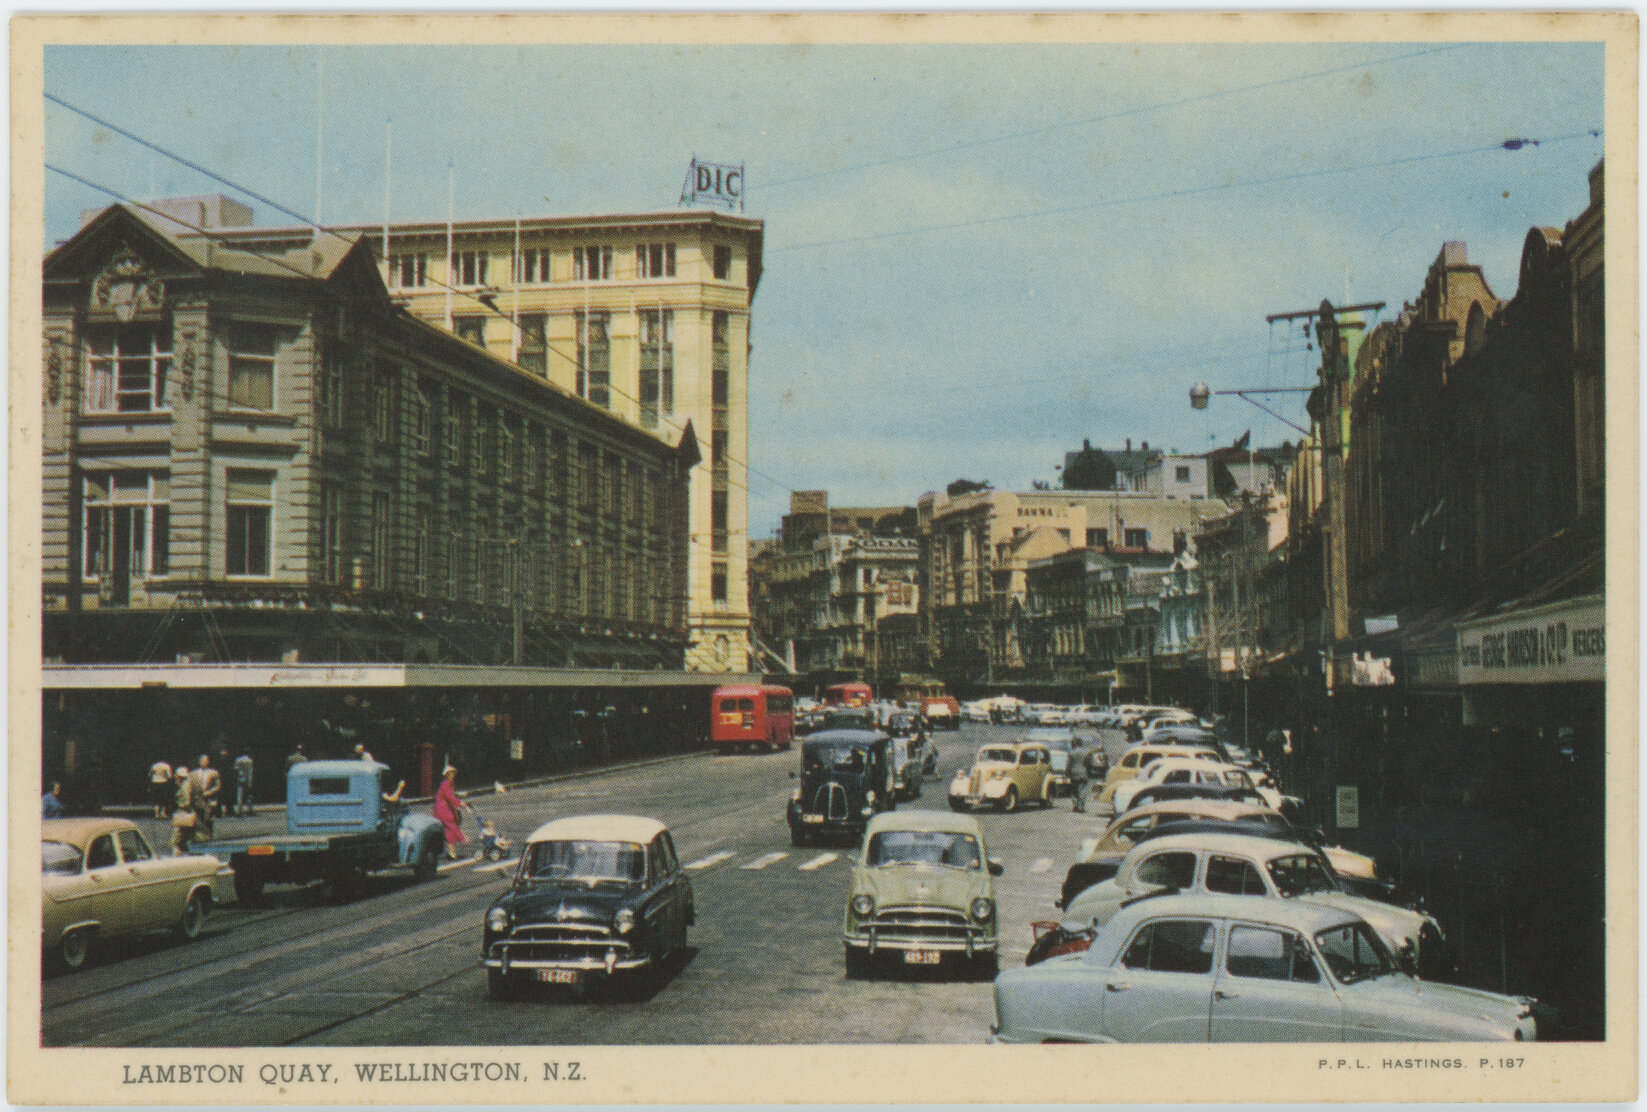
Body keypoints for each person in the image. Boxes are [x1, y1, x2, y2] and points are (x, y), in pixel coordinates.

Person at [432, 766, 471, 859]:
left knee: (448, 831)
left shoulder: (449, 784)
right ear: (446, 775)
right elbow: (450, 797)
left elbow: (450, 797)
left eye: (453, 773)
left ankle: (451, 852)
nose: (452, 775)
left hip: (446, 808)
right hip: (443, 810)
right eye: (450, 773)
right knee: (451, 825)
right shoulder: (445, 784)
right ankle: (462, 838)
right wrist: (460, 803)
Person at [191, 755, 221, 840]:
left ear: (208, 762)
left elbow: (218, 786)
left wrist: (209, 793)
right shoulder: (193, 773)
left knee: (208, 819)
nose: (204, 762)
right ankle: (198, 837)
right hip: (196, 799)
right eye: (202, 761)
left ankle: (209, 836)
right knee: (197, 819)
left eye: (205, 761)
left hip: (208, 799)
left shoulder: (213, 772)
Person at [170, 767, 197, 855]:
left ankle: (176, 854)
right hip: (185, 812)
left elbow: (187, 801)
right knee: (184, 836)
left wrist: (180, 806)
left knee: (176, 836)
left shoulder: (184, 786)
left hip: (183, 812)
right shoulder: (185, 784)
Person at [1068, 739, 1090, 813]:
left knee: (1074, 790)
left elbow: (1068, 764)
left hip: (1073, 773)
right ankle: (1082, 806)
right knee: (1082, 790)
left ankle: (1076, 806)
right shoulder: (1086, 753)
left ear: (1075, 744)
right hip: (1083, 772)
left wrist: (1066, 772)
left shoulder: (1071, 753)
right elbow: (1088, 763)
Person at [234, 752, 255, 817]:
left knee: (240, 796)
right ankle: (249, 809)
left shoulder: (238, 760)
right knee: (249, 796)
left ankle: (239, 810)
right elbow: (250, 772)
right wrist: (250, 781)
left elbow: (236, 769)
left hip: (240, 779)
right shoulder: (250, 760)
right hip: (248, 780)